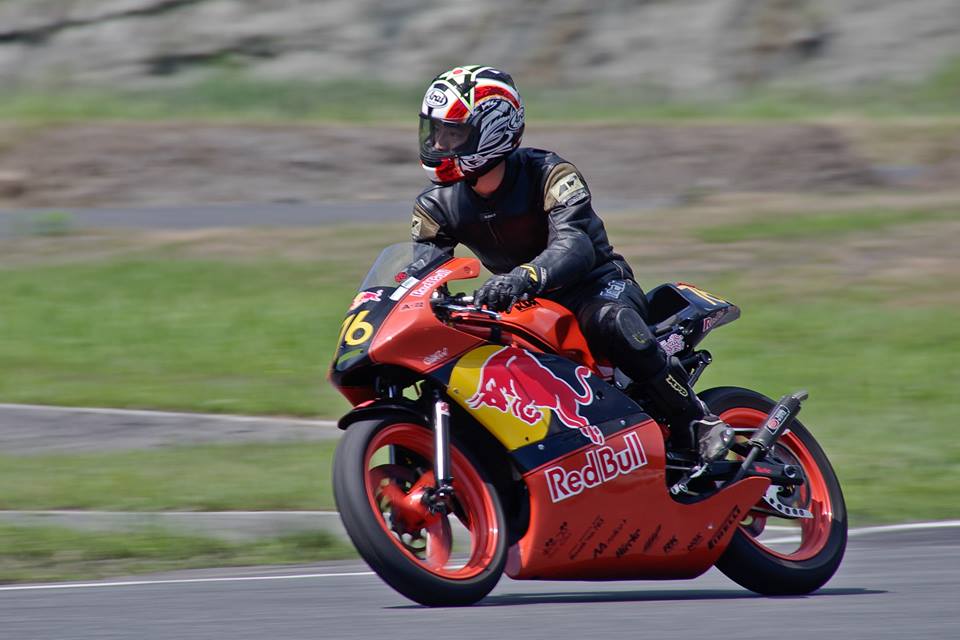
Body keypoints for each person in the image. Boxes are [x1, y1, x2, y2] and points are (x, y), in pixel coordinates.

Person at [410, 65, 733, 466]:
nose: (438, 142)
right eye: (434, 131)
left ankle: (697, 421)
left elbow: (575, 243)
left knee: (610, 321)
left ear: (492, 131)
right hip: (524, 304)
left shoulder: (550, 173)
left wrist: (524, 277)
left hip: (595, 285)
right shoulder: (435, 206)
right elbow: (422, 274)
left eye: (452, 133)